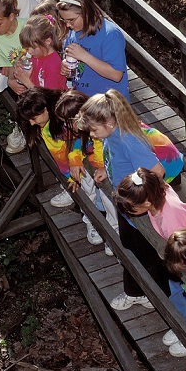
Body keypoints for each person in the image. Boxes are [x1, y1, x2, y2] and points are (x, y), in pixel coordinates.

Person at [76, 89, 171, 310]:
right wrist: (105, 171)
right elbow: (119, 163)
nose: (91, 134)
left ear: (109, 123)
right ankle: (136, 291)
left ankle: (160, 296)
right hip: (125, 205)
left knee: (147, 254)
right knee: (130, 246)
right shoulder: (111, 136)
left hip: (139, 210)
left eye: (93, 129)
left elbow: (157, 171)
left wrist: (139, 199)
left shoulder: (129, 140)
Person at [115, 169, 186, 357]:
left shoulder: (172, 220)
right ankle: (185, 325)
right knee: (176, 292)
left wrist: (178, 257)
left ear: (147, 202)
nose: (128, 212)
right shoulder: (154, 191)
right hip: (182, 257)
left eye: (131, 208)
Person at [55, 89, 119, 250]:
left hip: (108, 169)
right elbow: (78, 142)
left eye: (67, 122)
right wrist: (75, 159)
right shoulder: (79, 129)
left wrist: (103, 166)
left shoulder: (101, 127)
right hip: (92, 166)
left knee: (108, 199)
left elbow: (109, 148)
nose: (65, 126)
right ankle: (91, 222)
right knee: (86, 185)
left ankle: (114, 233)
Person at [56, 0, 129, 100]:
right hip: (84, 101)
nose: (68, 25)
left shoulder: (110, 34)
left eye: (71, 20)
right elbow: (71, 58)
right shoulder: (73, 32)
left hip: (109, 104)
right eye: (64, 20)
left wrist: (84, 56)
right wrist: (65, 64)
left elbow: (116, 75)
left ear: (86, 12)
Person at [14, 14, 67, 90]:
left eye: (33, 48)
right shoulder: (36, 54)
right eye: (26, 48)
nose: (29, 51)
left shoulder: (53, 66)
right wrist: (19, 66)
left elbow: (47, 98)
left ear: (47, 41)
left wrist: (26, 82)